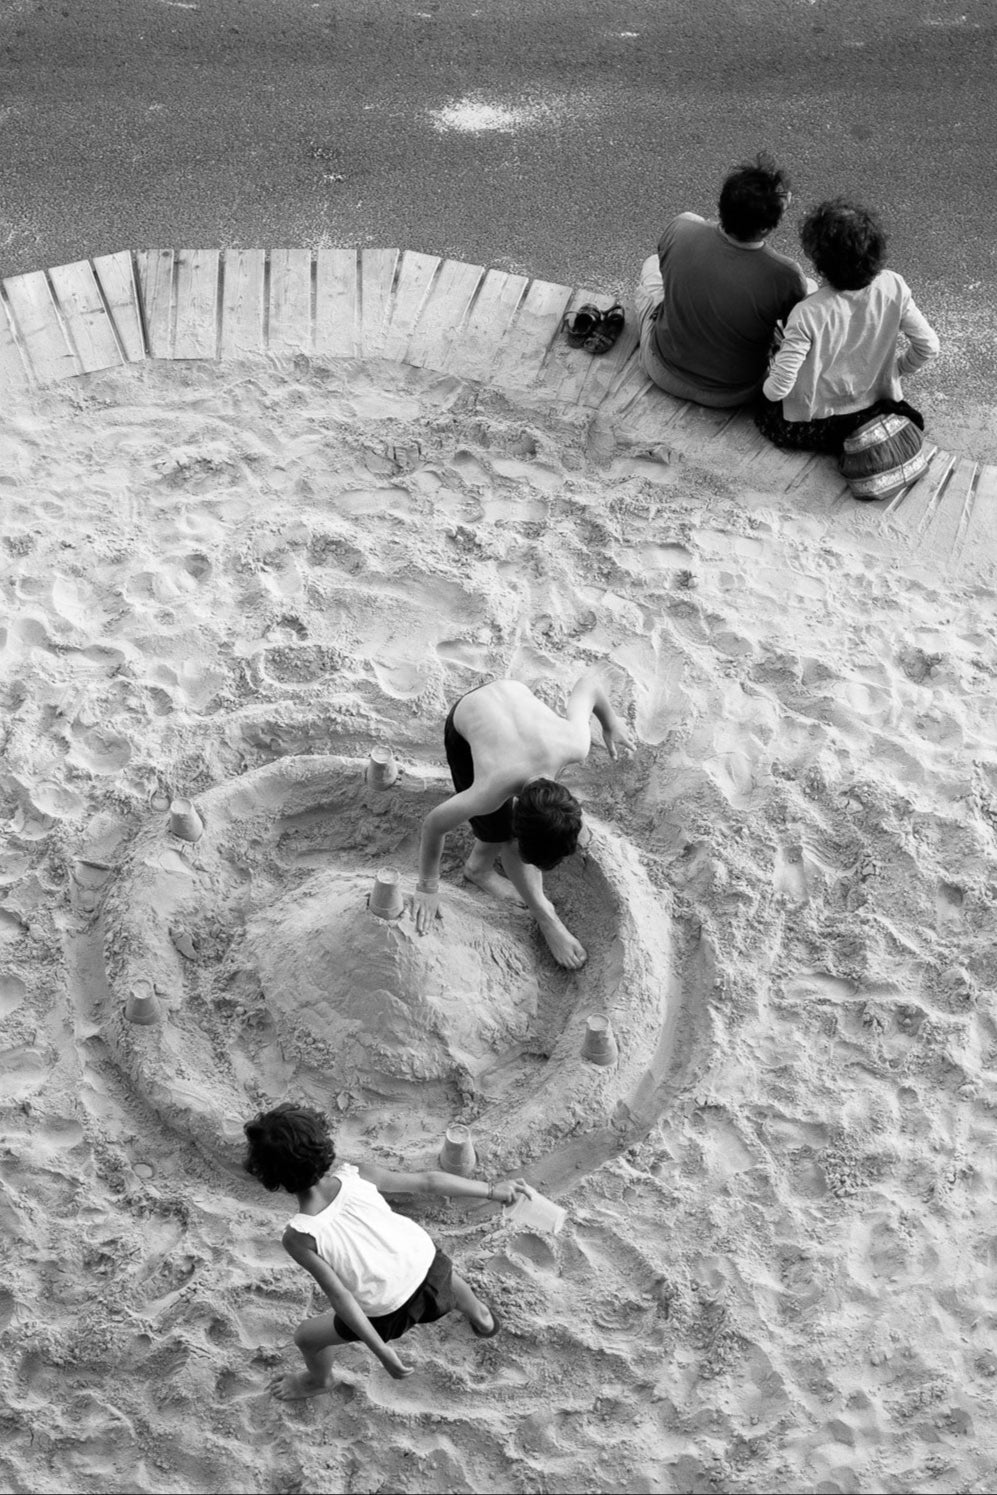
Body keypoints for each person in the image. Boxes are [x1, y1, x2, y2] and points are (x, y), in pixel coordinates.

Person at [244, 1103, 530, 1400]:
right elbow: (428, 1181)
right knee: (438, 1272)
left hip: (391, 1313)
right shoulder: (359, 1174)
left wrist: (381, 1350)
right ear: (322, 1143)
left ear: (271, 1178)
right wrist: (493, 1191)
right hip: (434, 1268)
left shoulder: (299, 1237)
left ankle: (319, 1381)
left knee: (306, 1337)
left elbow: (341, 1297)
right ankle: (482, 1317)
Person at [413, 676, 632, 970]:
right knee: (497, 831)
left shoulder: (574, 744)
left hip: (509, 696)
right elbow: (434, 825)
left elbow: (591, 684)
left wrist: (610, 723)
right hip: (467, 720)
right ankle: (486, 875)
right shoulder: (488, 791)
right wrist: (427, 887)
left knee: (504, 829)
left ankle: (482, 867)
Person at [755, 198, 940, 452]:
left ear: (821, 262)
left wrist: (764, 386)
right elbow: (928, 346)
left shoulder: (808, 312)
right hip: (875, 405)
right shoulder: (893, 286)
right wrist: (897, 371)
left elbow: (778, 389)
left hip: (819, 424)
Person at [636, 151, 809, 409]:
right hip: (734, 393)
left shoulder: (682, 227)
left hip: (662, 370)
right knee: (808, 296)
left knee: (651, 265)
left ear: (721, 206)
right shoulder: (786, 275)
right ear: (767, 227)